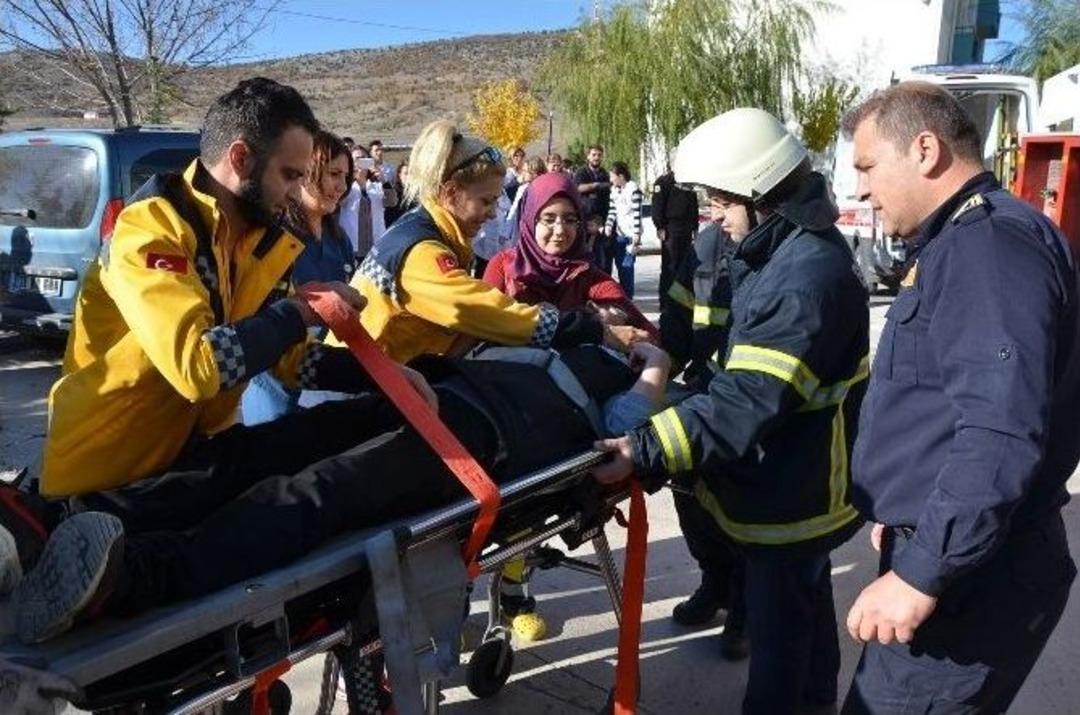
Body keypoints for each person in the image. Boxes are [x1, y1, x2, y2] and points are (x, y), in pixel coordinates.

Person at [0, 77, 436, 642]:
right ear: (240, 159)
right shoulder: (151, 230)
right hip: (107, 481)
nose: (297, 192)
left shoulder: (259, 241)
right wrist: (298, 313)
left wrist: (383, 376)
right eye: (290, 175)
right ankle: (46, 548)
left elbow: (289, 362)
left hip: (188, 459)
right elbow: (198, 366)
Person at [14, 342, 673, 644]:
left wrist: (655, 369)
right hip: (432, 398)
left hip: (476, 447)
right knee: (264, 448)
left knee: (316, 492)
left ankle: (131, 577)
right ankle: (66, 517)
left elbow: (621, 435)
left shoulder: (628, 390)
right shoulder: (569, 341)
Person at [592, 107, 869, 715]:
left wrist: (643, 447)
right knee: (804, 611)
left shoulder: (803, 276)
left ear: (760, 190)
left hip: (792, 492)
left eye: (720, 200)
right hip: (791, 478)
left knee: (779, 642)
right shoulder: (785, 250)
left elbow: (748, 399)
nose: (712, 214)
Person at [840, 82, 1080, 715]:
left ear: (925, 150)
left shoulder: (987, 246)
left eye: (868, 166)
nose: (861, 189)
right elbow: (943, 401)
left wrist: (923, 568)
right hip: (965, 555)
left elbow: (999, 430)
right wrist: (905, 506)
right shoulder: (966, 241)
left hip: (976, 580)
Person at [348, 119, 650, 366]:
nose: (493, 213)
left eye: (570, 219)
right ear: (451, 193)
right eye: (486, 201)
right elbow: (485, 312)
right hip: (360, 385)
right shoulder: (422, 251)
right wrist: (593, 329)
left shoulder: (428, 232)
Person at [659, 206, 748, 660]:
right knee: (691, 499)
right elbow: (676, 323)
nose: (716, 212)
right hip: (701, 398)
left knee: (741, 514)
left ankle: (746, 608)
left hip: (749, 408)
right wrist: (654, 369)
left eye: (725, 200)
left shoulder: (790, 252)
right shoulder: (708, 244)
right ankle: (715, 583)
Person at [242, 129, 357, 425]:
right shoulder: (276, 241)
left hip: (325, 379)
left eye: (346, 176)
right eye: (333, 174)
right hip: (278, 385)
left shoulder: (339, 240)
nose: (342, 186)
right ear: (305, 173)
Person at [484, 171, 658, 343]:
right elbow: (482, 324)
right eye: (549, 219)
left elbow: (648, 334)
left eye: (570, 220)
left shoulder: (586, 275)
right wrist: (596, 330)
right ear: (529, 220)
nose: (560, 230)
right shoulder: (503, 266)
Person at [652, 167, 699, 308]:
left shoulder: (687, 181)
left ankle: (682, 302)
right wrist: (660, 226)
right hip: (670, 228)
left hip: (685, 228)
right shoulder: (663, 182)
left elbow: (693, 204)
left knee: (684, 266)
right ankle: (666, 302)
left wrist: (695, 227)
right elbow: (657, 205)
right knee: (670, 267)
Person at [604, 161, 643, 297]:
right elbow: (613, 210)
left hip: (631, 235)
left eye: (612, 176)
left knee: (627, 268)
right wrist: (608, 225)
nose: (611, 180)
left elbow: (637, 213)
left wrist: (637, 233)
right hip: (619, 235)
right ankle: (624, 297)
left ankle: (628, 298)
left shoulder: (634, 190)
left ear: (621, 176)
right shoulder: (614, 190)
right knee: (620, 267)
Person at [338, 146, 375, 258]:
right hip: (351, 244)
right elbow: (340, 202)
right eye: (357, 159)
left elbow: (391, 202)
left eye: (363, 158)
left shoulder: (377, 184)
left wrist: (384, 180)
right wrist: (352, 179)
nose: (360, 162)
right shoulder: (345, 184)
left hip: (375, 245)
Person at [504, 155, 547, 249]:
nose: (522, 173)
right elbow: (514, 211)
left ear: (535, 173)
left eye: (525, 171)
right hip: (517, 233)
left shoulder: (541, 191)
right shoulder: (522, 188)